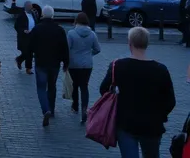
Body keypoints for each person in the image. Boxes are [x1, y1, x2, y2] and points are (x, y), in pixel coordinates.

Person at [99, 27, 175, 157]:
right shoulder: (161, 69)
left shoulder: (117, 65)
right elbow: (170, 101)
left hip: (125, 122)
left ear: (130, 44)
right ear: (147, 44)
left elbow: (103, 90)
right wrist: (160, 115)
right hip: (152, 125)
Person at [28, 6, 69, 127]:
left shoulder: (37, 29)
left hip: (41, 63)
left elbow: (30, 47)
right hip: (54, 64)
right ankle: (52, 108)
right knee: (52, 86)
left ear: (42, 15)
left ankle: (45, 109)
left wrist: (29, 63)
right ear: (52, 15)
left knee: (41, 88)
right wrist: (66, 63)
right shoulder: (59, 30)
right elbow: (64, 48)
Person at [67, 12, 101, 123]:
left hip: (73, 64)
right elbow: (97, 49)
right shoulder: (92, 34)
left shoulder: (71, 33)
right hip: (87, 64)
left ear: (76, 21)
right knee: (84, 87)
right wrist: (89, 54)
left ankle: (75, 106)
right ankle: (84, 109)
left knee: (74, 85)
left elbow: (67, 49)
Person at [14, 1, 37, 75]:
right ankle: (26, 66)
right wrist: (23, 30)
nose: (31, 8)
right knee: (27, 53)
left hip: (32, 36)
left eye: (31, 6)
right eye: (29, 6)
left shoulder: (33, 14)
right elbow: (16, 26)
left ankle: (26, 66)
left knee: (30, 53)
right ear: (26, 7)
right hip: (24, 37)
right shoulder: (21, 15)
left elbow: (36, 22)